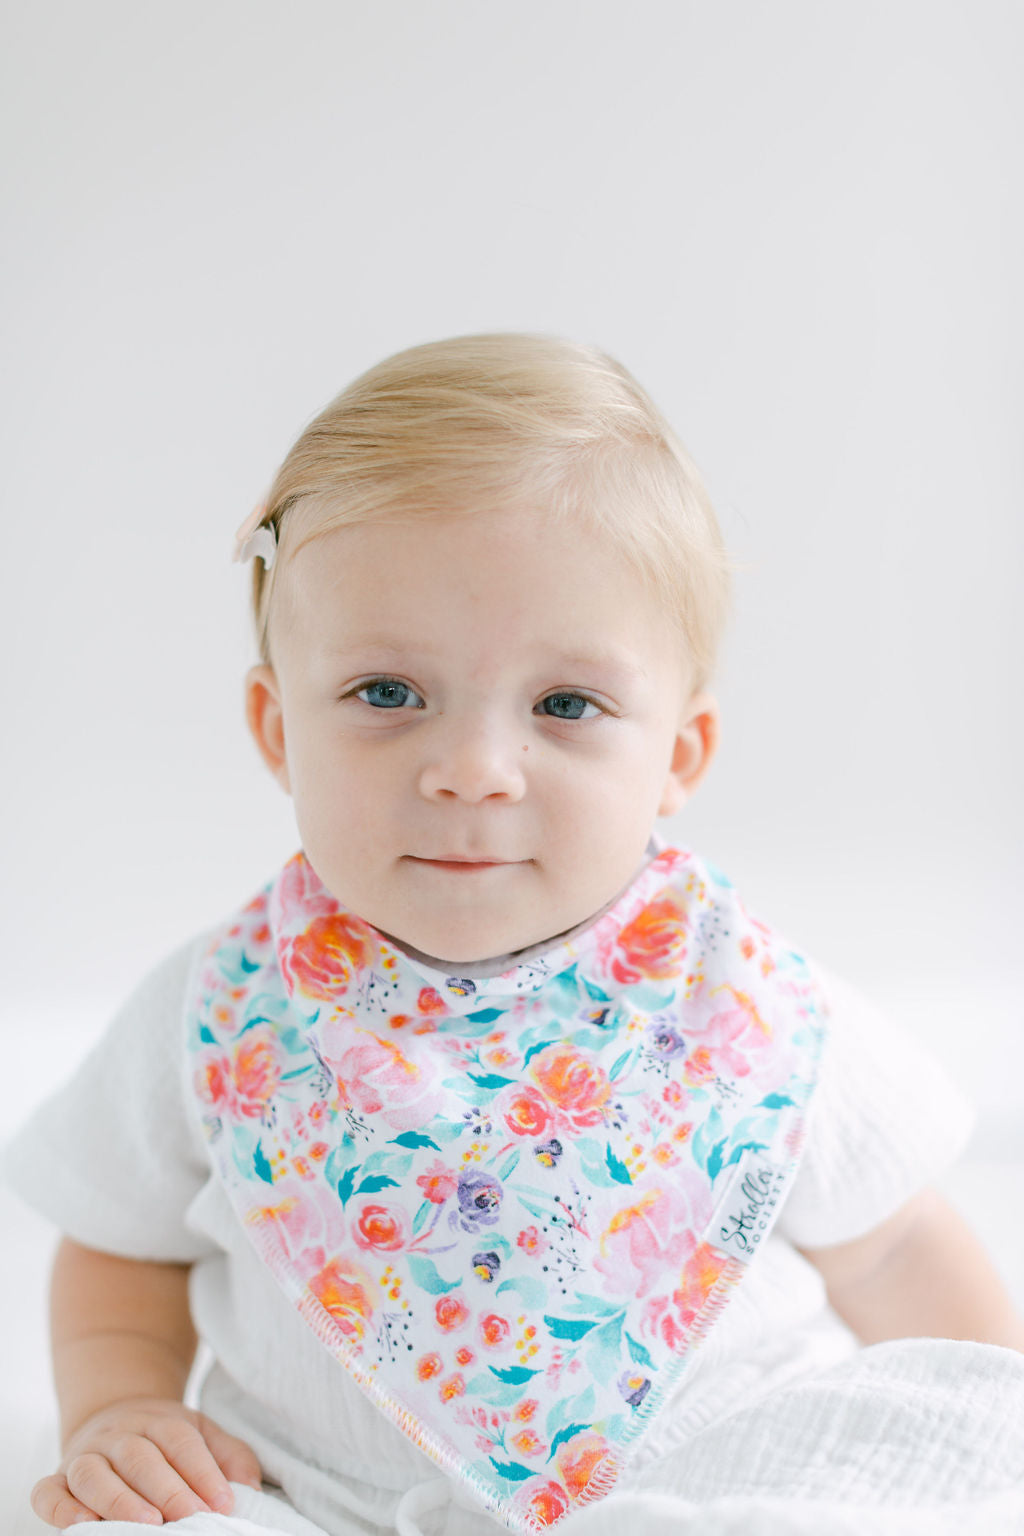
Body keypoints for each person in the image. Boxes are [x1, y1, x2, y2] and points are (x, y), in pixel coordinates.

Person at [6, 334, 1024, 1536]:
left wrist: (986, 1420)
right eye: (386, 694)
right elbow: (120, 1245)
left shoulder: (747, 1003)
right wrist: (119, 1411)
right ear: (278, 729)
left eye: (565, 705)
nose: (474, 770)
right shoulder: (225, 1007)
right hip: (320, 1496)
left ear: (675, 757)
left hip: (703, 1474)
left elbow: (898, 1247)